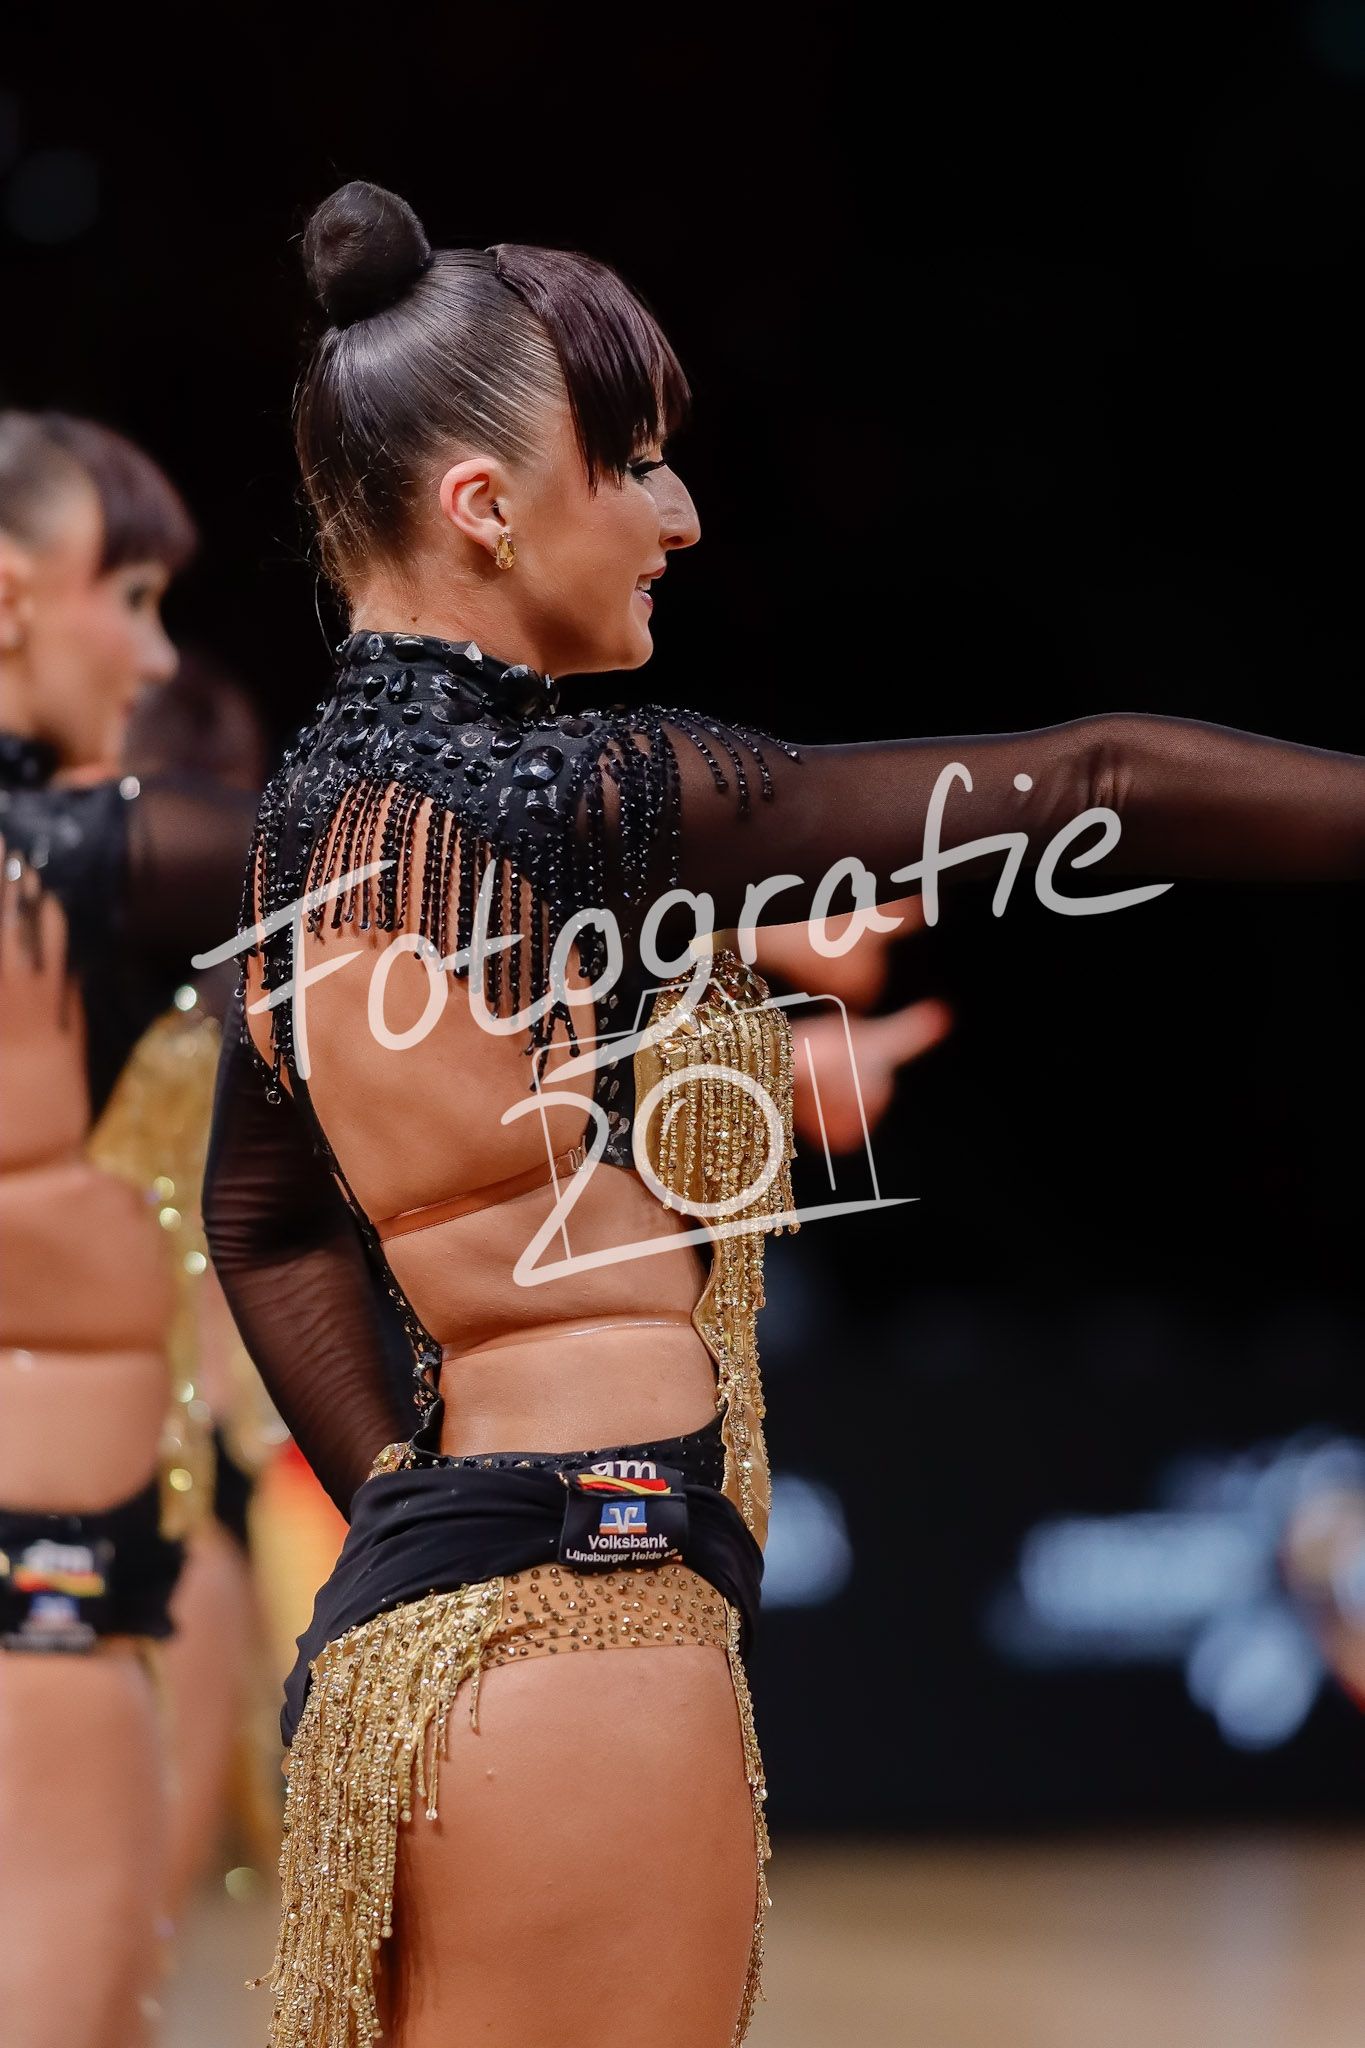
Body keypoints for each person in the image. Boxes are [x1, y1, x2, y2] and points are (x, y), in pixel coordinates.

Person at [201, 181, 1365, 2048]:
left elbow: (261, 1224)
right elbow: (1097, 780)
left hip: (438, 1627)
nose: (677, 516)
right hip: (585, 1621)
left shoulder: (300, 840)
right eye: (632, 464)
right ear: (482, 505)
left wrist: (404, 1509)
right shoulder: (590, 797)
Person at [0, 412, 256, 2047]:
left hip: (108, 1548)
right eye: (137, 597)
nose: (154, 653)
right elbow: (421, 863)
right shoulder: (67, 863)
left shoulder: (83, 872)